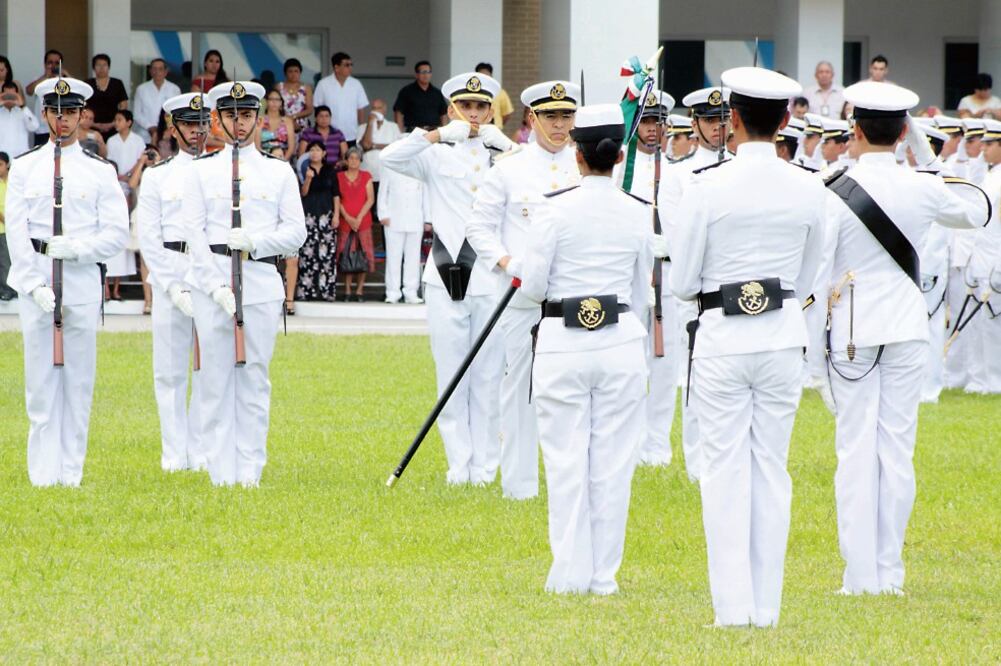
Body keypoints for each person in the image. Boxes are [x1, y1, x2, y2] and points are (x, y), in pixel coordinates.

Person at [817, 81, 991, 596]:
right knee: (896, 450)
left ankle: (860, 576)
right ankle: (889, 573)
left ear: (854, 129)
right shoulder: (922, 184)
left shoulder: (833, 186)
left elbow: (819, 271)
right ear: (902, 133)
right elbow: (975, 209)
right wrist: (925, 155)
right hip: (908, 328)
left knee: (855, 451)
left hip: (853, 330)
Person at [670, 67, 825, 627]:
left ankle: (733, 609)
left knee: (724, 470)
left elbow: (684, 280)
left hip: (723, 336)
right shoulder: (809, 186)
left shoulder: (704, 187)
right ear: (786, 121)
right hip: (782, 335)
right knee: (771, 469)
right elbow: (810, 277)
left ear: (731, 119)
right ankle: (766, 608)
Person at [515, 103, 653, 594]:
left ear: (577, 154)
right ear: (618, 157)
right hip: (619, 341)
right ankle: (603, 577)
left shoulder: (553, 208)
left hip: (562, 343)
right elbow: (641, 294)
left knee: (566, 460)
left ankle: (569, 573)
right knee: (613, 464)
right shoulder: (638, 212)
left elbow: (532, 287)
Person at [381, 71, 515, 485]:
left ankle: (486, 468)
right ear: (452, 109)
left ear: (491, 111)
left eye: (480, 107)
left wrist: (508, 146)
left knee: (489, 375)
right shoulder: (437, 152)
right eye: (466, 106)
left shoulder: (503, 157)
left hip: (489, 276)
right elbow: (390, 158)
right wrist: (437, 135)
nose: (473, 114)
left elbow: (539, 176)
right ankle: (460, 465)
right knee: (451, 375)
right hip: (444, 273)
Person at [5, 76, 129, 486]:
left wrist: (77, 248)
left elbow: (116, 233)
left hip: (78, 282)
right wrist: (31, 281)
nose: (63, 120)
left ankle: (70, 473)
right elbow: (17, 230)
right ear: (44, 113)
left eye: (71, 112)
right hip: (36, 280)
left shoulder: (98, 170)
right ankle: (43, 474)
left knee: (78, 382)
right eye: (56, 112)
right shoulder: (24, 167)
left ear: (82, 117)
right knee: (40, 384)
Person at [181, 79, 306, 487]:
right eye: (232, 115)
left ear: (258, 119)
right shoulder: (201, 171)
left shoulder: (278, 171)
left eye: (247, 115)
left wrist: (256, 242)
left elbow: (296, 233)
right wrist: (214, 285)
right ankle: (221, 473)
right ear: (217, 118)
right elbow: (193, 234)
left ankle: (249, 472)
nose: (239, 123)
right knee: (214, 381)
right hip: (211, 284)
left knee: (253, 379)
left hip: (259, 282)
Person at [467, 80, 581, 499]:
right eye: (550, 116)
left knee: (571, 390)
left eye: (566, 115)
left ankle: (567, 483)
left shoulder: (582, 166)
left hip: (574, 297)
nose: (558, 124)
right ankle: (519, 486)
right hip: (522, 297)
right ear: (531, 118)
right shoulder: (510, 168)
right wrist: (507, 263)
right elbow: (478, 227)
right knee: (520, 391)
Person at [656, 85, 731, 482]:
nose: (717, 129)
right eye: (708, 121)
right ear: (695, 124)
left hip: (735, 287)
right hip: (693, 287)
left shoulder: (740, 169)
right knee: (694, 373)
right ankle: (698, 463)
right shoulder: (678, 176)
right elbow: (676, 237)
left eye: (722, 120)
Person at [136, 92, 209, 471]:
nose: (196, 131)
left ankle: (199, 451)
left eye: (202, 123)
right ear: (173, 128)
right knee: (169, 369)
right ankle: (173, 453)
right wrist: (170, 285)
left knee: (208, 367)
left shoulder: (218, 171)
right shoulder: (157, 176)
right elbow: (148, 237)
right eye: (188, 124)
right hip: (172, 271)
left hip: (210, 273)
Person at [612, 89, 680, 467]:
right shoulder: (623, 172)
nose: (654, 130)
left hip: (667, 273)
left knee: (665, 365)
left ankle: (658, 445)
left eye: (660, 122)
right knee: (630, 362)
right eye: (647, 121)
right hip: (630, 274)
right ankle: (632, 442)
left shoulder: (680, 173)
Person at [104, 109, 145, 294]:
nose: (116, 122)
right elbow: (109, 162)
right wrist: (117, 175)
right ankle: (108, 287)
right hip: (114, 182)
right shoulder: (111, 140)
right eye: (115, 119)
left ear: (129, 122)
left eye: (119, 119)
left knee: (132, 227)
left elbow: (140, 161)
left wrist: (128, 175)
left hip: (132, 184)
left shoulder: (138, 140)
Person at [378, 150, 426, 304]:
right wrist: (383, 214)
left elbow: (426, 195)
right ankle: (392, 292)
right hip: (393, 219)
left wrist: (428, 219)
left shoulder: (420, 170)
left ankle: (411, 292)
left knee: (413, 258)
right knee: (393, 257)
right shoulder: (389, 167)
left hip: (415, 219)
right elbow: (382, 192)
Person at [296, 139, 339, 304]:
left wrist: (336, 215)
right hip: (310, 216)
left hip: (326, 215)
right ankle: (307, 290)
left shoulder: (331, 171)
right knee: (308, 254)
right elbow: (303, 193)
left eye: (317, 150)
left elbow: (336, 194)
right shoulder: (305, 169)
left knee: (327, 254)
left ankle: (327, 291)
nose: (314, 153)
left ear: (324, 153)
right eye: (311, 150)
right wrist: (307, 179)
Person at [336, 147, 375, 300]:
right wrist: (348, 217)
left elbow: (370, 199)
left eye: (356, 158)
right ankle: (347, 290)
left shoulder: (366, 176)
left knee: (363, 256)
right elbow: (337, 199)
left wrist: (358, 218)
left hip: (363, 222)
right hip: (345, 222)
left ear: (360, 161)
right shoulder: (339, 177)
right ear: (346, 160)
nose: (353, 161)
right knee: (346, 255)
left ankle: (359, 291)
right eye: (350, 158)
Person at [313, 52, 368, 146]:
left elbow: (361, 109)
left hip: (351, 134)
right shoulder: (323, 84)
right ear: (336, 67)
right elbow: (317, 108)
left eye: (351, 65)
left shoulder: (356, 84)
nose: (350, 67)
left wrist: (362, 131)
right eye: (347, 65)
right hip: (328, 134)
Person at [358, 98, 401, 206]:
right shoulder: (363, 127)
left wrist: (374, 145)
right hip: (368, 172)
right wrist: (370, 123)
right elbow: (365, 145)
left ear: (384, 110)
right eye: (374, 108)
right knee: (368, 205)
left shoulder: (393, 127)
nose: (376, 111)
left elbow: (396, 147)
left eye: (379, 108)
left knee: (385, 205)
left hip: (387, 173)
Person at [132, 58, 181, 144]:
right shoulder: (141, 89)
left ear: (166, 72)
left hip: (167, 135)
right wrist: (150, 127)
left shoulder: (174, 89)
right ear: (150, 71)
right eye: (154, 69)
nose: (157, 72)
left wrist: (167, 128)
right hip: (144, 135)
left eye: (160, 69)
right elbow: (137, 114)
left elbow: (177, 113)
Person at [26, 50, 68, 148]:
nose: (53, 65)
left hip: (62, 129)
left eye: (57, 63)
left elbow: (78, 90)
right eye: (50, 62)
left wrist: (66, 74)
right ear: (45, 64)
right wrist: (46, 76)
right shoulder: (39, 79)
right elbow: (29, 91)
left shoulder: (66, 80)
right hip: (42, 129)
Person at [393, 60, 447, 132]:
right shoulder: (407, 91)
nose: (426, 75)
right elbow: (398, 112)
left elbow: (443, 113)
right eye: (423, 72)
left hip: (434, 131)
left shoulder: (437, 93)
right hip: (413, 131)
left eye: (428, 72)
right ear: (416, 74)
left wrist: (444, 131)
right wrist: (399, 132)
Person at [85, 54, 129, 139]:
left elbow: (123, 106)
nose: (101, 68)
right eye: (98, 65)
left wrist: (113, 123)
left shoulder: (117, 83)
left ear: (109, 67)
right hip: (91, 126)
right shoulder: (88, 83)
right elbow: (83, 106)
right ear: (94, 67)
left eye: (104, 65)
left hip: (114, 126)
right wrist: (94, 124)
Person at [0, 81, 38, 157]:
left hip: (21, 156)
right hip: (2, 159)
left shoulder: (24, 111)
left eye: (12, 96)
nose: (9, 98)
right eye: (7, 95)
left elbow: (34, 127)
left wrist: (22, 106)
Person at [276, 58, 313, 133]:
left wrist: (294, 117)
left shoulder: (306, 88)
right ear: (285, 73)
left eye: (296, 71)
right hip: (283, 124)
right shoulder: (279, 87)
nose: (293, 74)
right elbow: (275, 107)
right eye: (290, 71)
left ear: (300, 73)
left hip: (301, 126)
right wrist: (288, 120)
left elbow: (309, 109)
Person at [257, 90, 295, 160]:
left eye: (277, 99)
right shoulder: (260, 120)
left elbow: (291, 147)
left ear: (281, 102)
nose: (274, 102)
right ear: (266, 101)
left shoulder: (287, 121)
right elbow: (257, 146)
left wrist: (283, 161)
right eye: (271, 99)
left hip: (283, 157)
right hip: (263, 158)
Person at [475, 63, 514, 128]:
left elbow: (507, 113)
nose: (485, 79)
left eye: (487, 76)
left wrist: (499, 124)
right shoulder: (472, 93)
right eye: (482, 76)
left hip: (495, 129)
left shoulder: (500, 92)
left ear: (491, 76)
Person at [0, 151, 13, 301]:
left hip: (14, 227)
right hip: (2, 228)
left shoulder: (14, 182)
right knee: (4, 261)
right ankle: (5, 289)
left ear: (7, 165)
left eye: (0, 165)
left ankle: (12, 289)